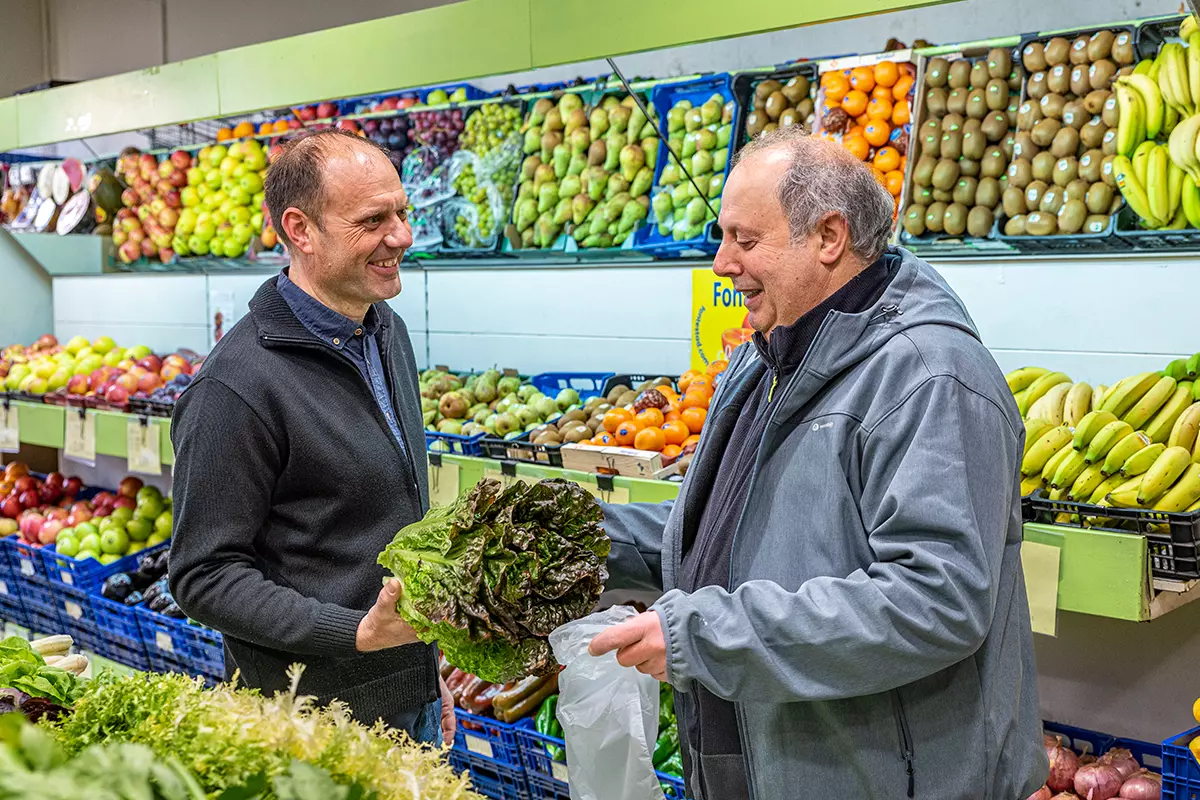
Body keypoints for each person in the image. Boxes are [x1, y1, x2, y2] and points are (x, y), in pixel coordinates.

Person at [590, 127, 1047, 800]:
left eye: (745, 241)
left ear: (829, 238)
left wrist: (707, 636)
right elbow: (728, 533)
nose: (721, 263)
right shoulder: (765, 359)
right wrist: (578, 537)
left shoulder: (928, 378)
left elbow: (937, 600)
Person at [169, 128, 453, 745]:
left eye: (402, 212)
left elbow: (386, 527)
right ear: (300, 230)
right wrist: (353, 634)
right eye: (373, 219)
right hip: (309, 724)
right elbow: (203, 575)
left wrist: (426, 672)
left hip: (409, 697)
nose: (402, 235)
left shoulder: (385, 331)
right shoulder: (235, 387)